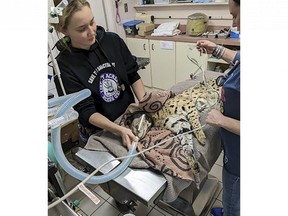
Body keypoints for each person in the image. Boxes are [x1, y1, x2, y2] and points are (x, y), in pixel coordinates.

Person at [51, 0, 146, 149]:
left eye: (92, 22)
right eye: (82, 29)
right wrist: (118, 130)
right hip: (100, 131)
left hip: (129, 116)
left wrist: (145, 105)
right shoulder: (64, 65)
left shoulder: (112, 41)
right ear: (64, 31)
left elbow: (132, 75)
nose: (91, 31)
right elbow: (86, 111)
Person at [196, 0, 240, 215]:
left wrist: (221, 120)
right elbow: (242, 59)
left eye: (236, 16)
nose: (235, 24)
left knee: (235, 191)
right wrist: (217, 49)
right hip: (234, 145)